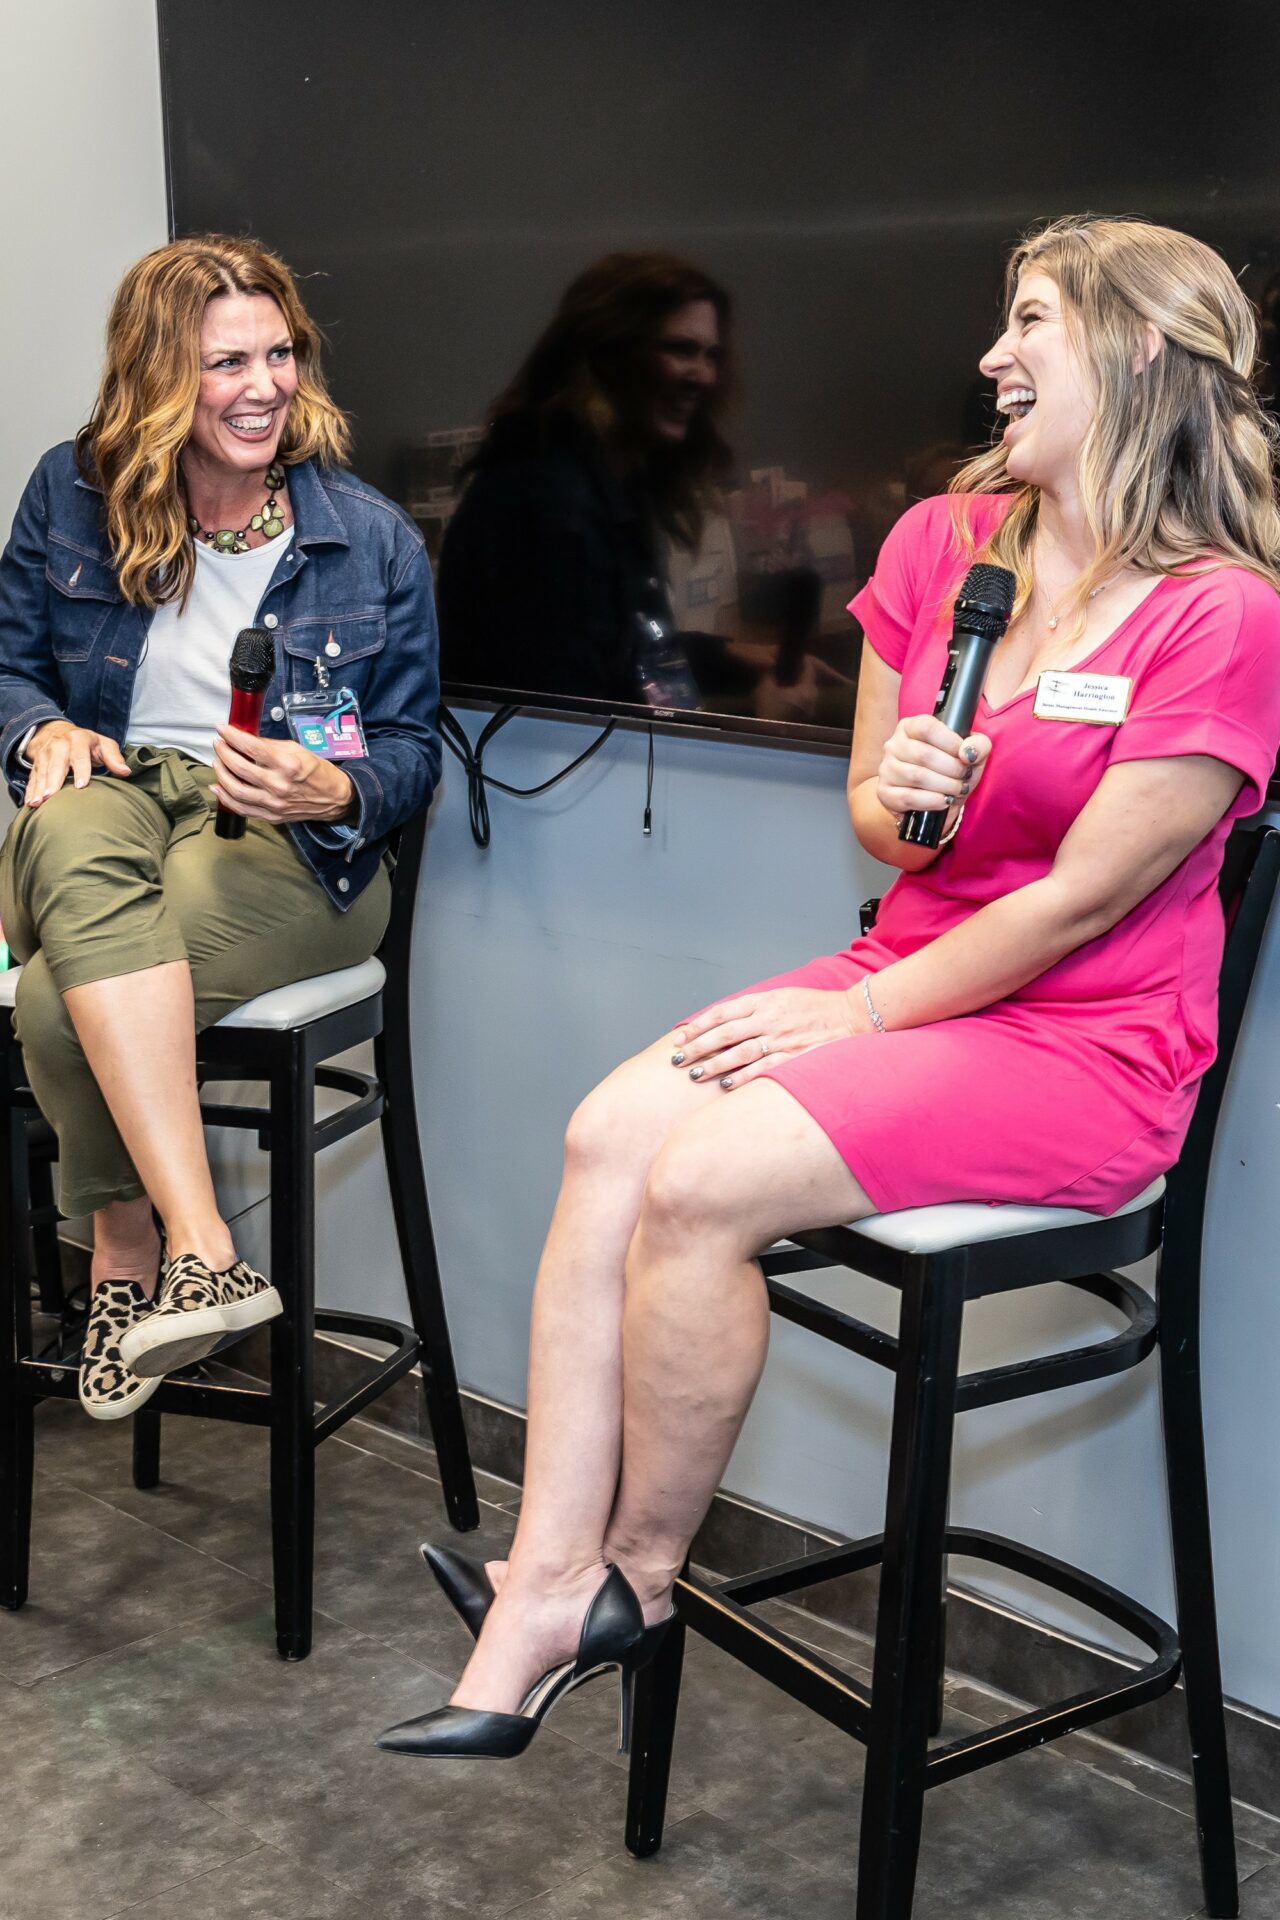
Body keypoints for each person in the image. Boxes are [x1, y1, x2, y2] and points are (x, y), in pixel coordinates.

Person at [377, 214, 1280, 1761]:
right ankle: (544, 1580)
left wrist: (854, 1014)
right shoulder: (948, 545)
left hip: (1087, 1040)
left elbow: (1082, 899)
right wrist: (907, 795)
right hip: (910, 971)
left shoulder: (1226, 615)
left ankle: (636, 1583)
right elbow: (878, 817)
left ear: (1138, 348)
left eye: (1031, 321)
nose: (991, 357)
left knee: (705, 1177)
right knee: (608, 1136)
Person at [0, 235, 440, 1419]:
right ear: (157, 374)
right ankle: (207, 1249)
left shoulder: (368, 537)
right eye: (225, 363)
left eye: (279, 355)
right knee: (70, 819)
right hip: (116, 801)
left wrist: (333, 790)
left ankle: (127, 1259)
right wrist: (40, 727)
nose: (263, 387)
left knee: (56, 1000)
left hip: (286, 849)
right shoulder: (71, 492)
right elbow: (9, 669)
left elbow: (409, 750)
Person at [437, 252, 736, 710]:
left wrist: (737, 659)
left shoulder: (605, 481)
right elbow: (577, 716)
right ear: (608, 354)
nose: (704, 376)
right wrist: (754, 718)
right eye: (680, 349)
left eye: (711, 355)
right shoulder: (553, 505)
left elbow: (624, 649)